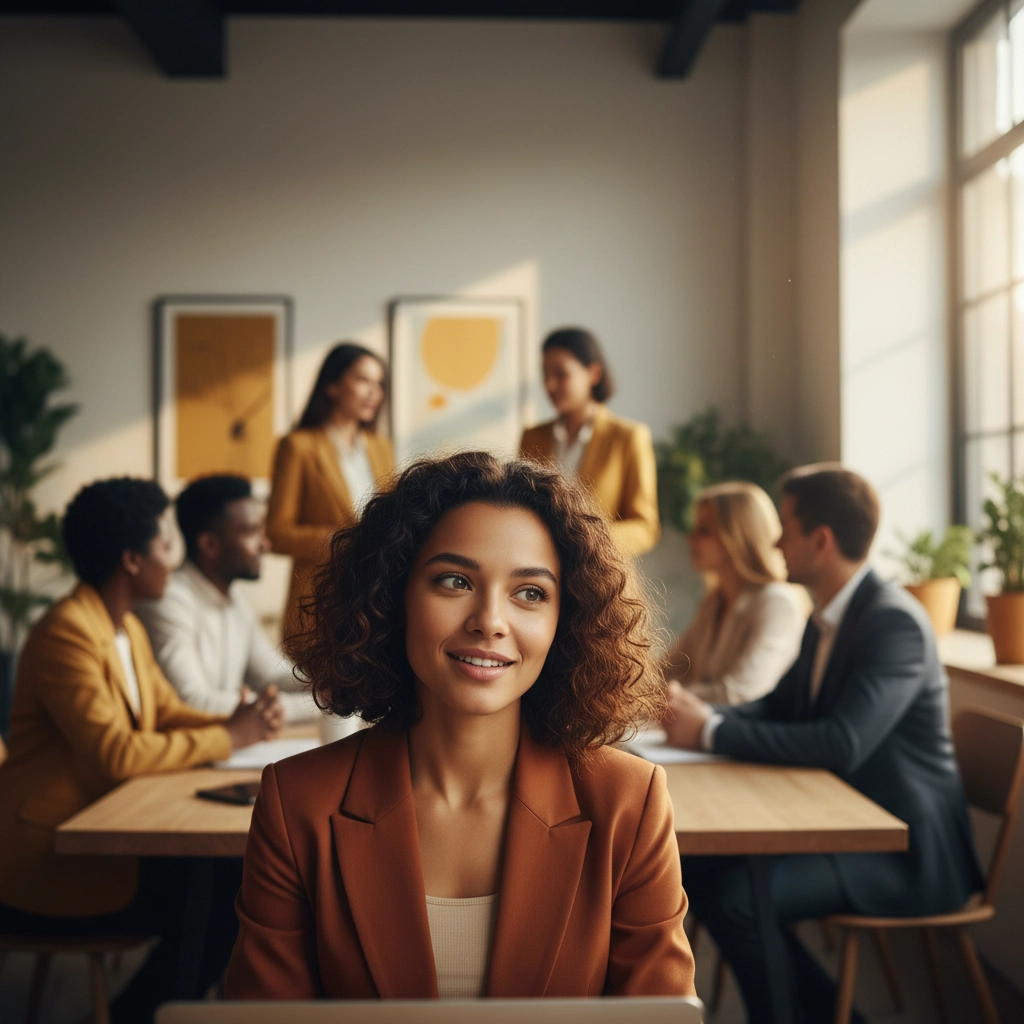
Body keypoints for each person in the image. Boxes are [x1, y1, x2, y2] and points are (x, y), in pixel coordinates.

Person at [225, 452, 696, 1000]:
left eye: (530, 593)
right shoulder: (298, 803)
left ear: (565, 620)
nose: (490, 621)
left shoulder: (629, 804)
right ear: (392, 597)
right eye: (454, 581)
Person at [664, 465, 983, 1024]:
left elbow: (842, 744)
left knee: (740, 901)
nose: (775, 541)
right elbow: (777, 706)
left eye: (785, 527)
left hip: (901, 848)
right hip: (844, 822)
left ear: (821, 539)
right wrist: (706, 716)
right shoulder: (829, 616)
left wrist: (710, 731)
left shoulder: (894, 624)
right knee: (698, 872)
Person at [0, 477, 283, 1023]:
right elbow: (117, 753)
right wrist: (230, 736)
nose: (173, 562)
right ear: (132, 560)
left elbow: (165, 711)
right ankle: (142, 1016)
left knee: (227, 888)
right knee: (221, 899)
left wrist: (237, 721)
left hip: (94, 834)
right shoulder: (68, 633)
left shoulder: (121, 626)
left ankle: (154, 1012)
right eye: (165, 547)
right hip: (46, 858)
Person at [135, 474, 319, 722]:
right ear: (209, 544)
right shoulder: (167, 600)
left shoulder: (235, 599)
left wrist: (327, 684)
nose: (264, 544)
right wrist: (316, 704)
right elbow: (192, 702)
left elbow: (271, 676)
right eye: (251, 531)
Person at [267, 342, 394, 644]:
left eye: (378, 384)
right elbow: (276, 533)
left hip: (376, 597)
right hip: (319, 599)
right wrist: (344, 541)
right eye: (363, 380)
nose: (373, 393)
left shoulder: (380, 448)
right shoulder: (298, 446)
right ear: (333, 385)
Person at [664, 481, 807, 706]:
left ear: (737, 536)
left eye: (704, 530)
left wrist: (667, 699)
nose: (690, 539)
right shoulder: (715, 600)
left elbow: (742, 693)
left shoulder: (777, 603)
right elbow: (670, 667)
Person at [520, 327, 659, 557]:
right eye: (545, 374)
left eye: (561, 374)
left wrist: (589, 539)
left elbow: (645, 526)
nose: (549, 385)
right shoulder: (532, 437)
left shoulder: (628, 438)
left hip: (598, 572)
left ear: (593, 374)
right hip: (537, 567)